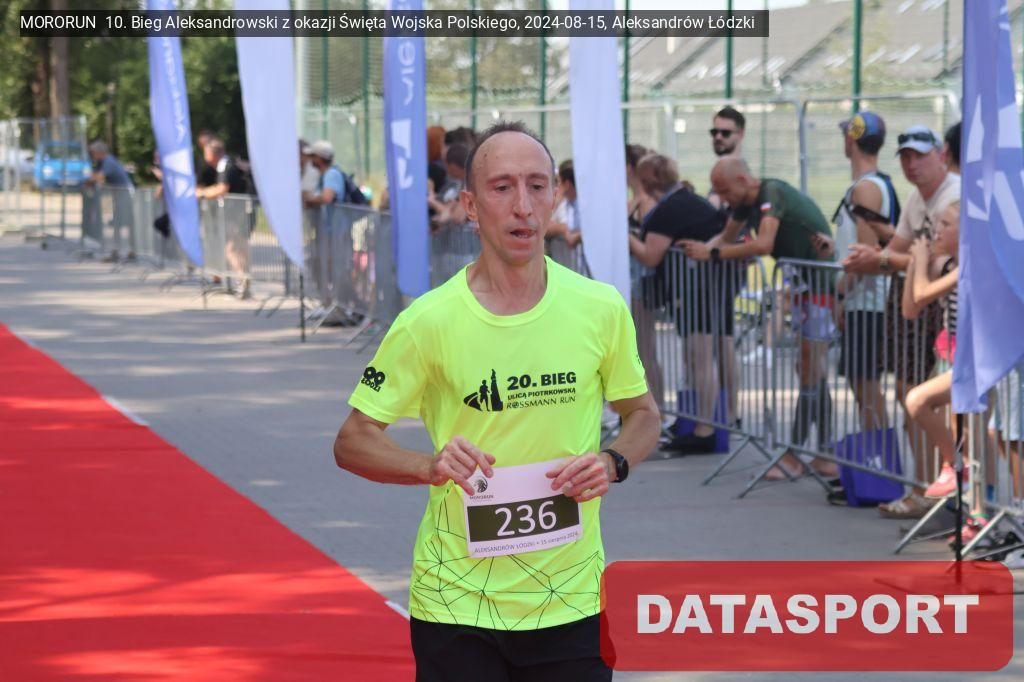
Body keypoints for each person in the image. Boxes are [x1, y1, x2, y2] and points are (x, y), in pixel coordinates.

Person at [333, 121, 660, 680]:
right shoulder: (428, 321)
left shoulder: (600, 307)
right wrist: (428, 466)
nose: (522, 206)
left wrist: (613, 461)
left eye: (537, 186)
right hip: (456, 602)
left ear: (555, 197)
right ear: (470, 206)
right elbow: (352, 441)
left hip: (572, 601)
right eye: (502, 187)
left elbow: (643, 415)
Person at [682, 157, 837, 479]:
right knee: (809, 369)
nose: (723, 199)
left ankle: (796, 454)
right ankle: (824, 452)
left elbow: (763, 244)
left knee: (810, 368)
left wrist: (713, 254)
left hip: (820, 288)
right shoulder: (744, 203)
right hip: (804, 286)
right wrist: (702, 250)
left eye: (725, 191)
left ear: (742, 180)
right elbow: (725, 237)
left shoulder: (771, 193)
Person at [843, 124, 960, 517]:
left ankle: (954, 493)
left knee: (953, 411)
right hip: (924, 308)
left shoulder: (954, 196)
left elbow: (931, 261)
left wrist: (881, 260)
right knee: (911, 394)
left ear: (942, 156)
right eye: (905, 156)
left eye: (919, 155)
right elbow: (900, 254)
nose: (911, 164)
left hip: (950, 314)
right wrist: (876, 259)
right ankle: (932, 487)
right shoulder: (915, 198)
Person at [629, 154, 731, 453]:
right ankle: (699, 423)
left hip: (699, 288)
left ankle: (705, 429)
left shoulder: (670, 209)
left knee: (700, 357)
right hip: (708, 284)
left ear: (647, 180)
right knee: (697, 357)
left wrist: (626, 238)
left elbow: (650, 255)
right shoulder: (687, 200)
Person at [831, 112, 900, 437]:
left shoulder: (867, 188)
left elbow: (866, 254)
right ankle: (875, 455)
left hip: (868, 302)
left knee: (866, 389)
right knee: (863, 388)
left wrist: (841, 294)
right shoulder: (870, 184)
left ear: (851, 139)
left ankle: (880, 458)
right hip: (866, 300)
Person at [900, 202, 961, 501]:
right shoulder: (947, 264)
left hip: (976, 361)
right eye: (937, 224)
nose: (937, 231)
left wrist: (922, 258)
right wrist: (915, 264)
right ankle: (961, 479)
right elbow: (911, 308)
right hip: (952, 356)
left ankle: (955, 467)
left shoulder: (969, 265)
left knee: (918, 400)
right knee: (964, 433)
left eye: (946, 225)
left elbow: (923, 293)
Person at [196, 138, 252, 297]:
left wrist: (202, 193)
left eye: (206, 152)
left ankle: (242, 279)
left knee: (233, 248)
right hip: (238, 212)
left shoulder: (226, 166)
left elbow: (222, 188)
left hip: (236, 214)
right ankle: (242, 279)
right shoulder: (228, 165)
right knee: (237, 247)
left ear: (213, 153)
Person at [85, 140, 135, 262]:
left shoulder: (108, 161)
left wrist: (89, 179)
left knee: (126, 222)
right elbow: (96, 177)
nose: (92, 156)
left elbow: (99, 177)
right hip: (118, 194)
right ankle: (116, 250)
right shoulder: (102, 162)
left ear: (100, 152)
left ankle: (130, 250)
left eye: (93, 153)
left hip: (125, 193)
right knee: (116, 222)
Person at [547, 159, 582, 250]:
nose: (557, 185)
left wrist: (577, 237)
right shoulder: (562, 205)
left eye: (559, 181)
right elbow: (544, 226)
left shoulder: (584, 208)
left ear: (566, 184)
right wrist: (562, 229)